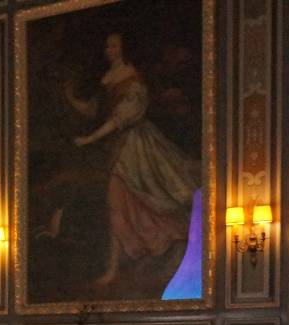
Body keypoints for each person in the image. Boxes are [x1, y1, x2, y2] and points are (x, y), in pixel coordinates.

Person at [67, 31, 200, 289]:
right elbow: (97, 111)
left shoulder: (133, 79)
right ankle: (114, 268)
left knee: (141, 200)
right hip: (116, 147)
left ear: (124, 48)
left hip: (134, 146)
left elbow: (119, 119)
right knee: (118, 206)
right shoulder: (108, 78)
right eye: (107, 45)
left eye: (114, 45)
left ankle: (170, 240)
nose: (109, 49)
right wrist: (71, 99)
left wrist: (89, 139)